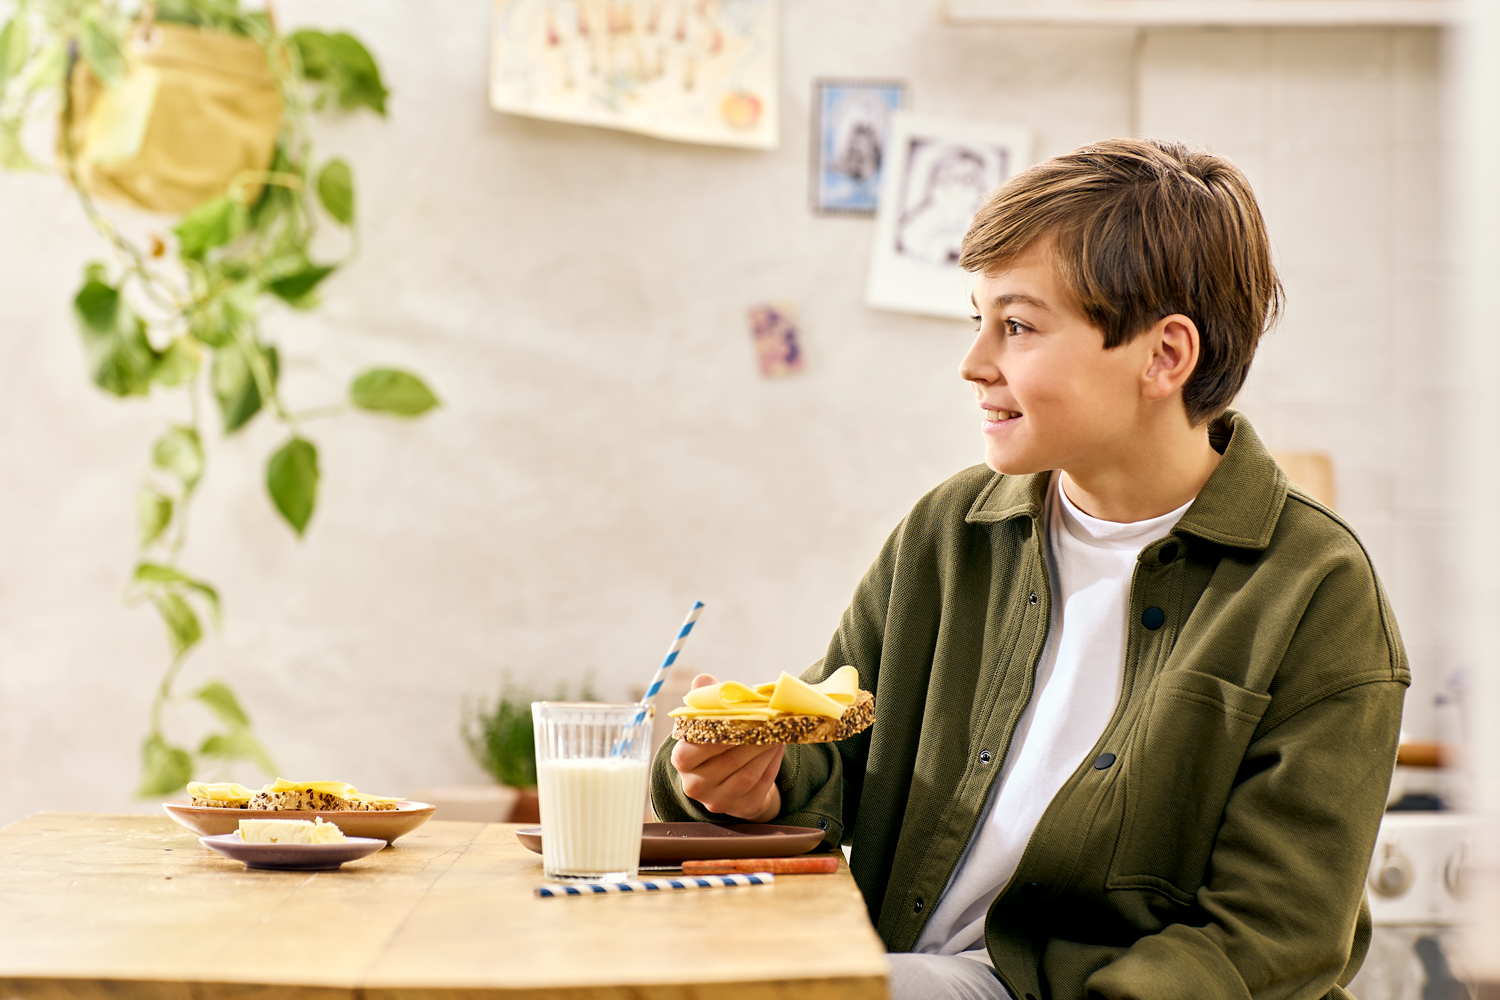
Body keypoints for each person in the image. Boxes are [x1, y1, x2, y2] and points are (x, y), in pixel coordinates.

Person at [650, 138, 1407, 1000]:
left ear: (1164, 356)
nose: (974, 364)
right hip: (909, 969)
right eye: (977, 320)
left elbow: (1275, 936)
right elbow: (835, 762)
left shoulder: (1316, 591)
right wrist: (750, 785)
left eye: (1015, 325)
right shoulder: (950, 532)